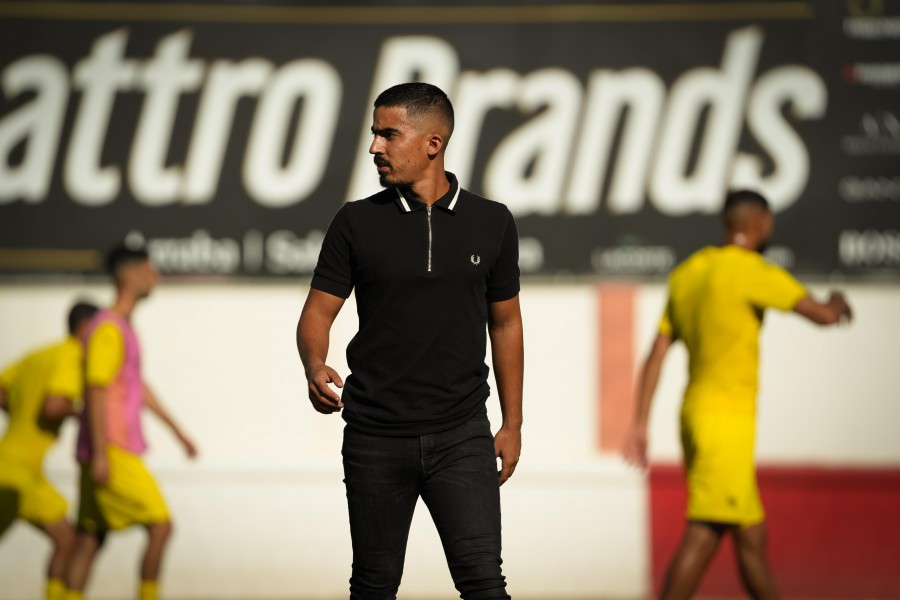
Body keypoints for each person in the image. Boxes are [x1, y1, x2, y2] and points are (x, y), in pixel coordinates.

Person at [297, 82, 523, 600]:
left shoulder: (493, 222)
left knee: (485, 585)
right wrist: (314, 362)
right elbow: (317, 312)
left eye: (388, 134)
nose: (374, 146)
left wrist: (512, 423)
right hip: (374, 436)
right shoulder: (355, 221)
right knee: (373, 588)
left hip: (462, 435)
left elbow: (507, 324)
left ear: (432, 143)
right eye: (374, 133)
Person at [622, 190, 853, 600]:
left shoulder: (689, 272)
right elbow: (823, 315)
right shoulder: (752, 270)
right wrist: (837, 299)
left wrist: (640, 423)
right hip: (727, 424)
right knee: (706, 530)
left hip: (695, 415)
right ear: (758, 222)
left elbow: (656, 352)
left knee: (751, 538)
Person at [65, 243, 197, 600]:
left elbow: (137, 387)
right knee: (161, 526)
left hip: (100, 449)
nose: (156, 276)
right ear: (129, 274)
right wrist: (102, 454)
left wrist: (178, 432)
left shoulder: (121, 327)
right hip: (113, 449)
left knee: (89, 539)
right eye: (150, 269)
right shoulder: (108, 328)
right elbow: (95, 388)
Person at [0, 301, 99, 600]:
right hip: (18, 472)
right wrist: (84, 412)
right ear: (85, 327)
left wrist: (22, 414)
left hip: (16, 463)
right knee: (68, 540)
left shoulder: (40, 354)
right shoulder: (72, 355)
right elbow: (54, 405)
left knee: (67, 539)